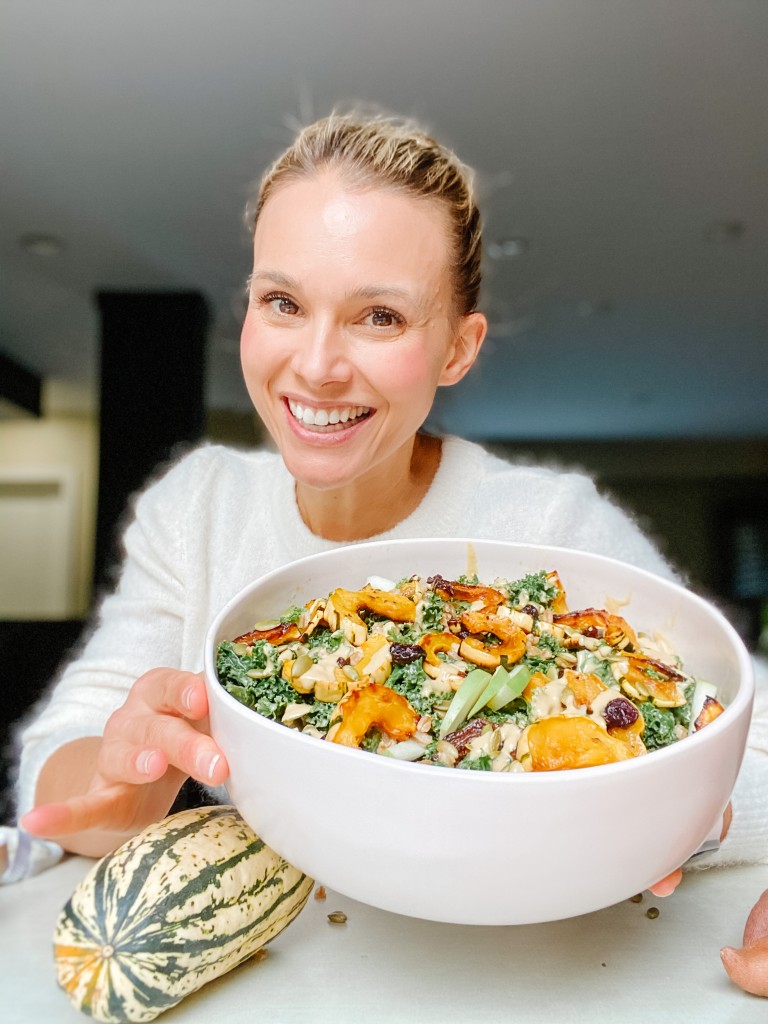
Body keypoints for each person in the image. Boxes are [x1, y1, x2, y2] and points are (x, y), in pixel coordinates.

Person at [13, 113, 768, 897]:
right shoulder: (198, 510)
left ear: (457, 349)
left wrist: (674, 813)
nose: (316, 366)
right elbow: (66, 750)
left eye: (380, 316)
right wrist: (123, 785)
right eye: (282, 302)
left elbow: (754, 749)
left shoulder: (554, 528)